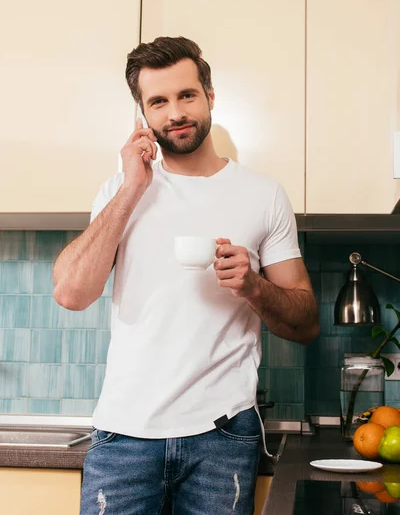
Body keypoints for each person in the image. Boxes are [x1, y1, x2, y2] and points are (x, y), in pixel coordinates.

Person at [53, 36, 319, 515]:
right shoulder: (121, 190)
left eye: (186, 95)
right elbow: (71, 293)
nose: (174, 112)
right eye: (158, 101)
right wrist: (133, 186)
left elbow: (306, 324)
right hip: (123, 436)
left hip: (222, 436)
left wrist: (253, 285)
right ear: (142, 114)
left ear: (210, 97)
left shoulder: (263, 195)